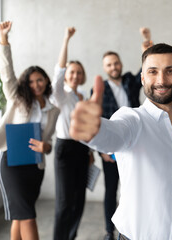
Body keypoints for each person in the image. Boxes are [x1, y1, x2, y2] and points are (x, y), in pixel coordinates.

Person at [70, 43, 172, 240]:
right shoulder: (133, 120)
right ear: (143, 77)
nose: (161, 80)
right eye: (153, 72)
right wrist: (95, 132)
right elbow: (114, 134)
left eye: (170, 71)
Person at [0, 21, 60, 240]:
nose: (36, 84)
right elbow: (7, 74)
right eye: (31, 81)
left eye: (40, 80)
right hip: (12, 162)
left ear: (46, 80)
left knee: (20, 215)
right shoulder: (17, 99)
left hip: (35, 166)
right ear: (26, 84)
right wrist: (4, 40)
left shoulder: (54, 110)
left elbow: (48, 141)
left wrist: (47, 147)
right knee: (27, 215)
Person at [92, 27, 152, 240]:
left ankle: (133, 229)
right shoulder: (99, 89)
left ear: (121, 64)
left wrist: (147, 43)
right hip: (111, 147)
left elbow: (146, 70)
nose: (113, 66)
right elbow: (97, 122)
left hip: (135, 142)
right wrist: (102, 151)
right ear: (104, 67)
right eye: (109, 64)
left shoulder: (129, 81)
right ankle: (110, 231)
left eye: (116, 63)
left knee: (134, 188)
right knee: (111, 191)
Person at [51, 27, 94, 240]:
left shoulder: (83, 96)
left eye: (78, 72)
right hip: (65, 148)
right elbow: (58, 71)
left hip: (82, 149)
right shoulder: (60, 95)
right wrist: (66, 39)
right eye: (71, 72)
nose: (75, 75)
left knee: (79, 201)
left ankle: (71, 237)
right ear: (66, 76)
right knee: (64, 203)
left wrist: (91, 151)